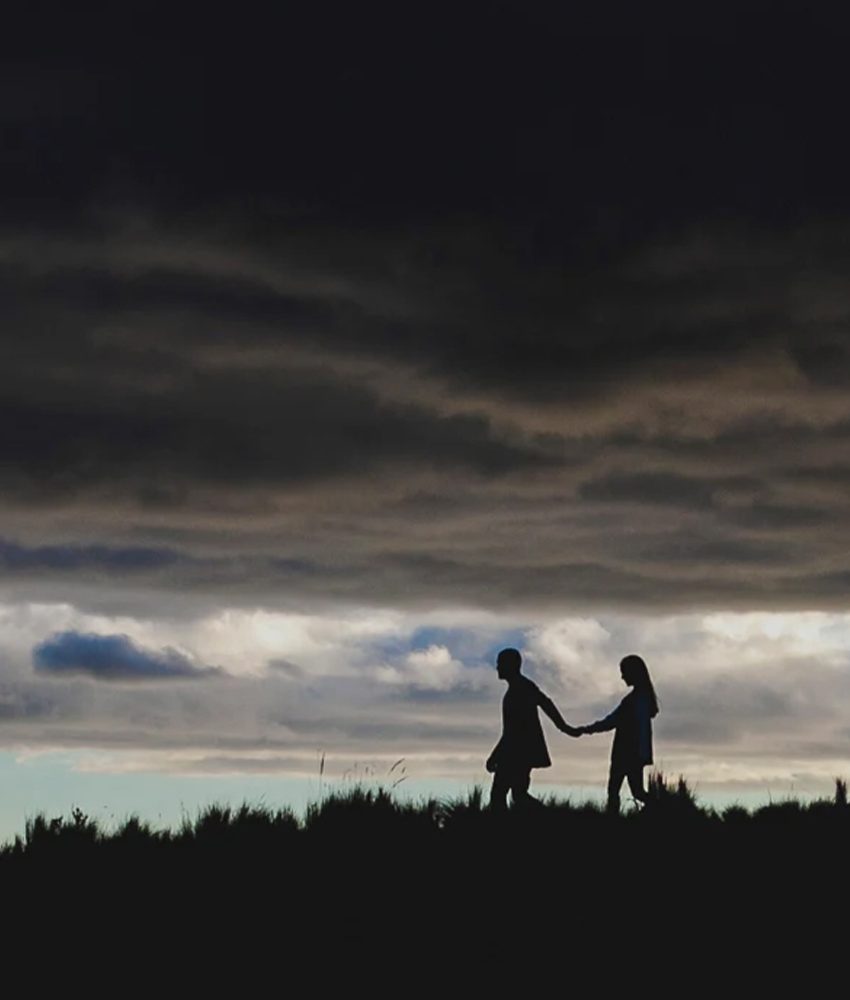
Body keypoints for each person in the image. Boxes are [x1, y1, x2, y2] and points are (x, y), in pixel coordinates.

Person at [486, 647, 579, 809]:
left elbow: (514, 730)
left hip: (517, 751)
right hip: (518, 750)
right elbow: (545, 703)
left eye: (500, 664)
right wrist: (564, 727)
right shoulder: (521, 687)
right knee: (516, 794)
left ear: (511, 665)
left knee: (502, 794)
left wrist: (564, 727)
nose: (497, 668)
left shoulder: (522, 688)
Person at [576, 654, 659, 813]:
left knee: (618, 791)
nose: (622, 676)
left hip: (627, 752)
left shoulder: (636, 700)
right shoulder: (639, 698)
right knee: (635, 791)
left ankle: (614, 821)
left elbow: (612, 721)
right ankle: (662, 809)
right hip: (631, 753)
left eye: (624, 672)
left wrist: (585, 729)